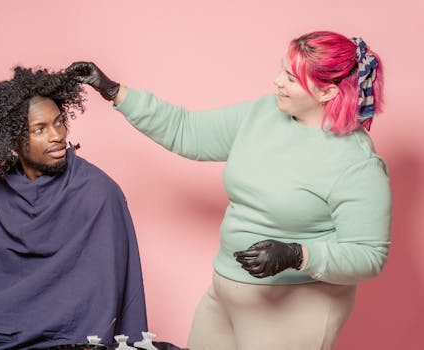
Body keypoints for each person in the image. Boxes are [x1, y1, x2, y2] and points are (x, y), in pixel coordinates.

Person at [68, 30, 392, 349]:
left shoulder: (355, 162)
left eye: (292, 78)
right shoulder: (264, 113)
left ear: (328, 93)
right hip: (226, 292)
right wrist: (114, 91)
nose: (277, 81)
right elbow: (186, 131)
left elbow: (368, 254)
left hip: (296, 308)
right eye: (282, 69)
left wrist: (297, 254)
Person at [0, 66, 148, 349]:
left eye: (59, 122)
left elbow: (102, 302)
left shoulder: (99, 193)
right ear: (13, 140)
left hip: (71, 339)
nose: (57, 136)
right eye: (40, 129)